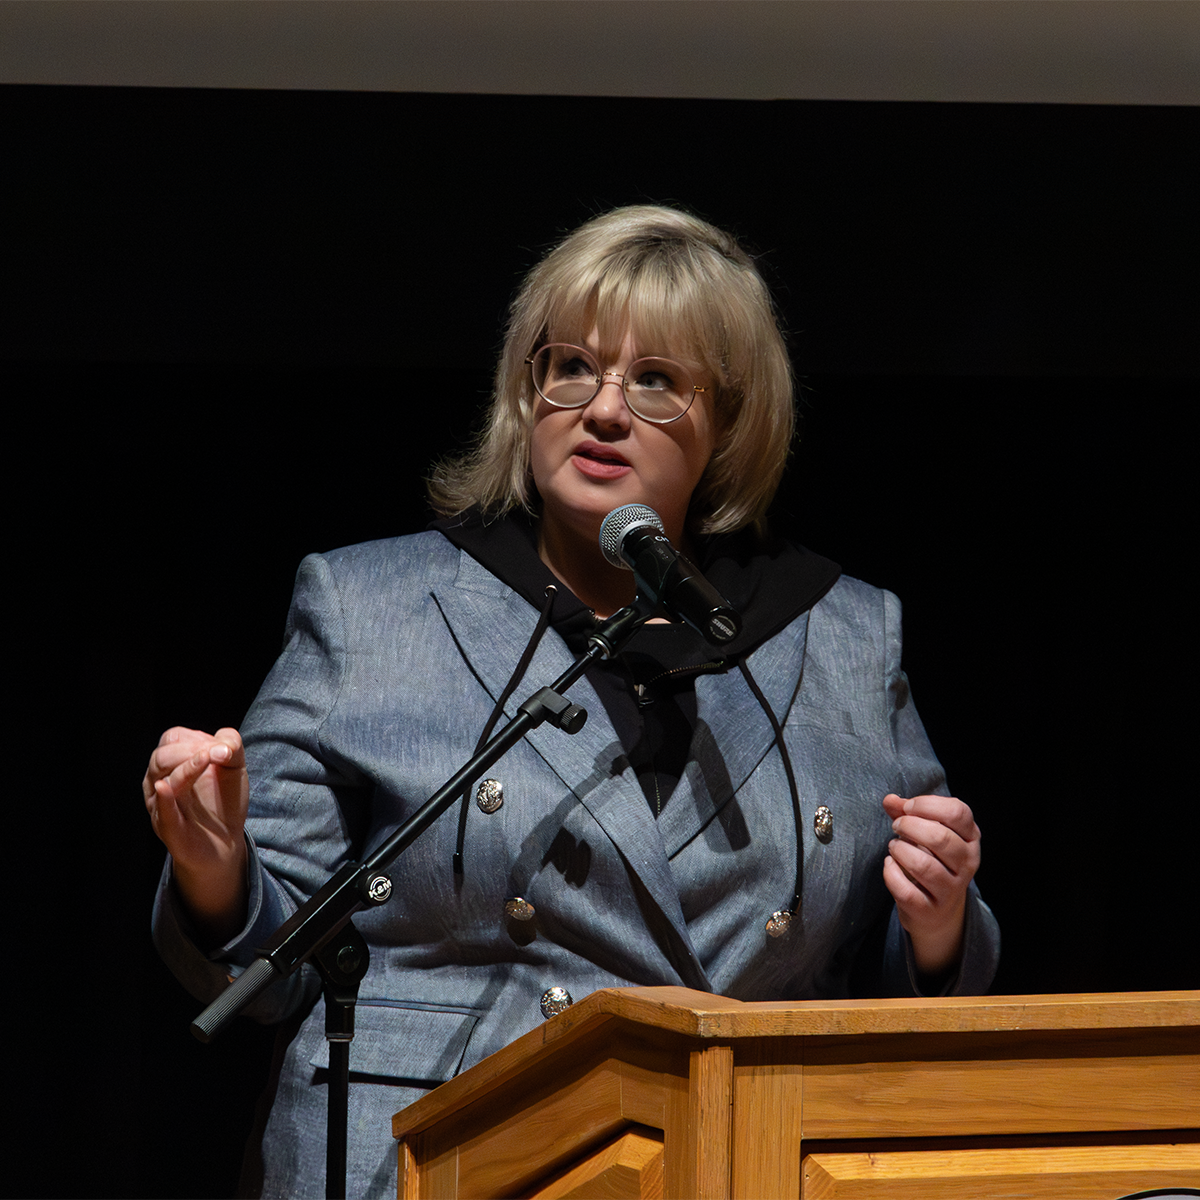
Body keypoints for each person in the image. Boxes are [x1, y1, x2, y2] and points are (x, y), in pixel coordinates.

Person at [145, 205, 999, 1198]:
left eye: (656, 381)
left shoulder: (844, 635)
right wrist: (215, 865)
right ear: (524, 390)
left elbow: (913, 985)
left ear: (729, 418)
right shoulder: (373, 608)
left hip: (737, 1154)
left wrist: (937, 923)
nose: (603, 410)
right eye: (571, 368)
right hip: (444, 1154)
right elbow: (270, 970)